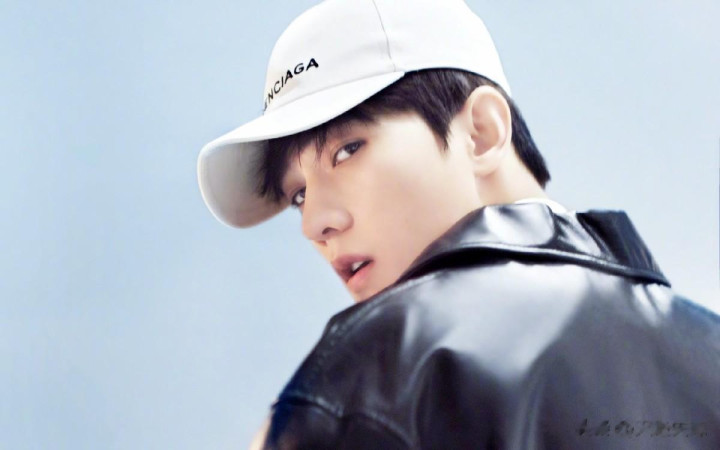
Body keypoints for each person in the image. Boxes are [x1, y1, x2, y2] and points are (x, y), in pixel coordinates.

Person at [197, 0, 720, 448]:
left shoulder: (377, 369)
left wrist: (313, 414)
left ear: (481, 132)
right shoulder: (704, 345)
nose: (314, 224)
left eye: (347, 150)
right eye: (299, 195)